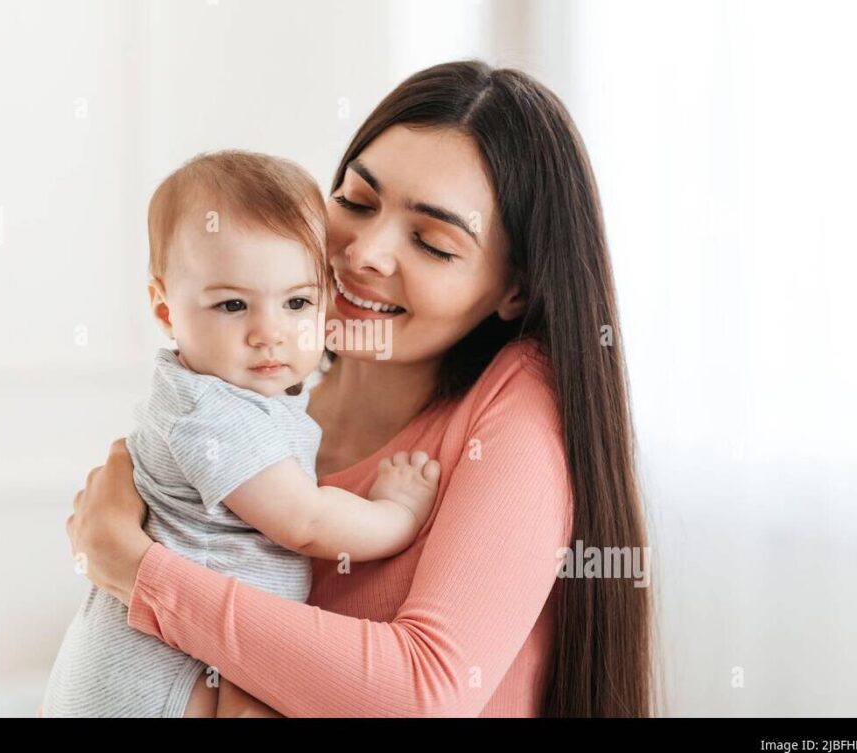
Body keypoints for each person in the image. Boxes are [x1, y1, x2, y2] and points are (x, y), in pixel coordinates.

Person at [64, 60, 654, 717]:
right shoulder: (262, 403)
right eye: (355, 201)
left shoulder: (512, 405)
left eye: (432, 242)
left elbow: (422, 692)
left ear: (515, 288)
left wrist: (140, 572)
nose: (365, 251)